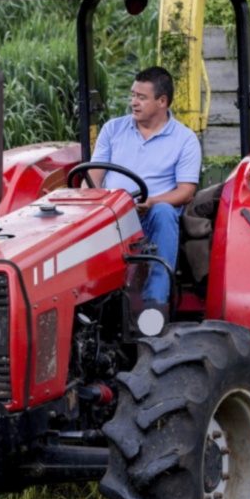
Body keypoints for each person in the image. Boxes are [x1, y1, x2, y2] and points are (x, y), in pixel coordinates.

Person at [90, 65, 200, 316]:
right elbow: (93, 177)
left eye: (141, 97)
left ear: (162, 101)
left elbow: (186, 192)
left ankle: (154, 305)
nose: (133, 102)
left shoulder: (185, 140)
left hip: (150, 217)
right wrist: (92, 203)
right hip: (112, 215)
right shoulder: (112, 129)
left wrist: (150, 202)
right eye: (133, 95)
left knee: (164, 211)